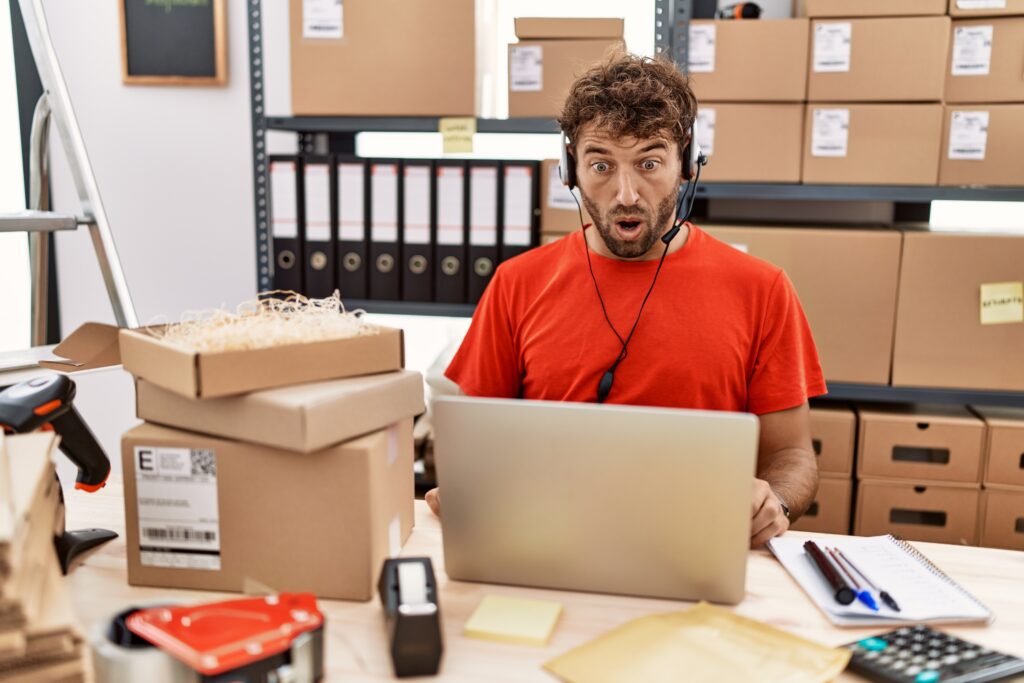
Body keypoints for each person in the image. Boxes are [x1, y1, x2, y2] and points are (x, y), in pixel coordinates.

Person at [426, 52, 826, 548]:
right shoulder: (516, 284)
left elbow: (791, 454)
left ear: (687, 163)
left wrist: (776, 503)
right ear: (570, 170)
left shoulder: (762, 290)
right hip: (546, 546)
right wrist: (470, 486)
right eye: (600, 164)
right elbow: (472, 443)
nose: (626, 194)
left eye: (649, 163)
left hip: (697, 549)